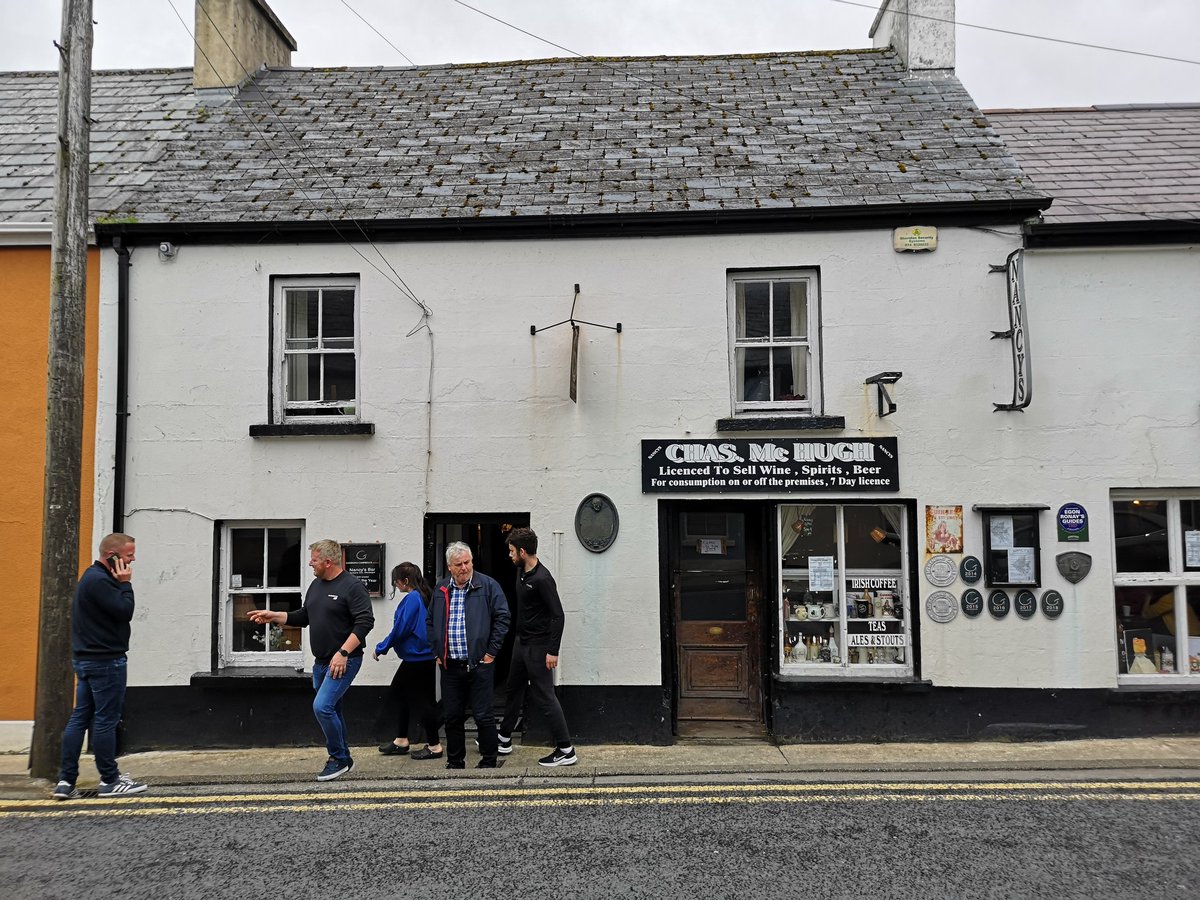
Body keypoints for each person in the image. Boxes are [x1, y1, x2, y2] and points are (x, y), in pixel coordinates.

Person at [249, 539, 373, 782]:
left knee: (322, 707)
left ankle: (337, 758)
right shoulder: (316, 585)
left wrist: (343, 653)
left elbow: (365, 622)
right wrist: (274, 616)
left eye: (314, 560)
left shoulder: (352, 586)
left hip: (344, 660)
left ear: (327, 562)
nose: (310, 563)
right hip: (321, 662)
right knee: (333, 709)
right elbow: (304, 616)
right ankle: (345, 758)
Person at [54, 533, 148, 800]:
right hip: (106, 661)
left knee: (80, 718)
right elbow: (125, 611)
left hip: (87, 660)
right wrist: (125, 584)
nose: (133, 559)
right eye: (129, 554)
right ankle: (110, 780)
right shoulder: (100, 581)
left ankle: (65, 781)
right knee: (106, 720)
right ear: (112, 556)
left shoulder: (92, 578)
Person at [427, 541, 510, 769]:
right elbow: (430, 621)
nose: (464, 568)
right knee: (452, 716)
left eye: (467, 562)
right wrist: (437, 652)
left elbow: (503, 618)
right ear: (449, 567)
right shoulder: (441, 589)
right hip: (450, 665)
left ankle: (489, 761)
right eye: (458, 564)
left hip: (479, 664)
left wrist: (491, 652)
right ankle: (455, 762)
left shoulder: (488, 585)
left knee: (483, 715)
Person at [499, 527, 577, 767]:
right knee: (513, 690)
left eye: (512, 551)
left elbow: (558, 615)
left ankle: (566, 749)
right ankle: (504, 738)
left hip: (539, 647)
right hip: (521, 643)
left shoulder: (543, 579)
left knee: (545, 696)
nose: (510, 555)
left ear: (522, 552)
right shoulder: (521, 572)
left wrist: (553, 651)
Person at [374, 562, 443, 760]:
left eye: (396, 581)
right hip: (422, 657)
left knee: (421, 701)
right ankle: (401, 740)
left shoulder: (413, 598)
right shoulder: (424, 595)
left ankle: (434, 746)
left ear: (405, 581)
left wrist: (382, 647)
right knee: (402, 695)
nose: (395, 585)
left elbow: (401, 628)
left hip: (417, 658)